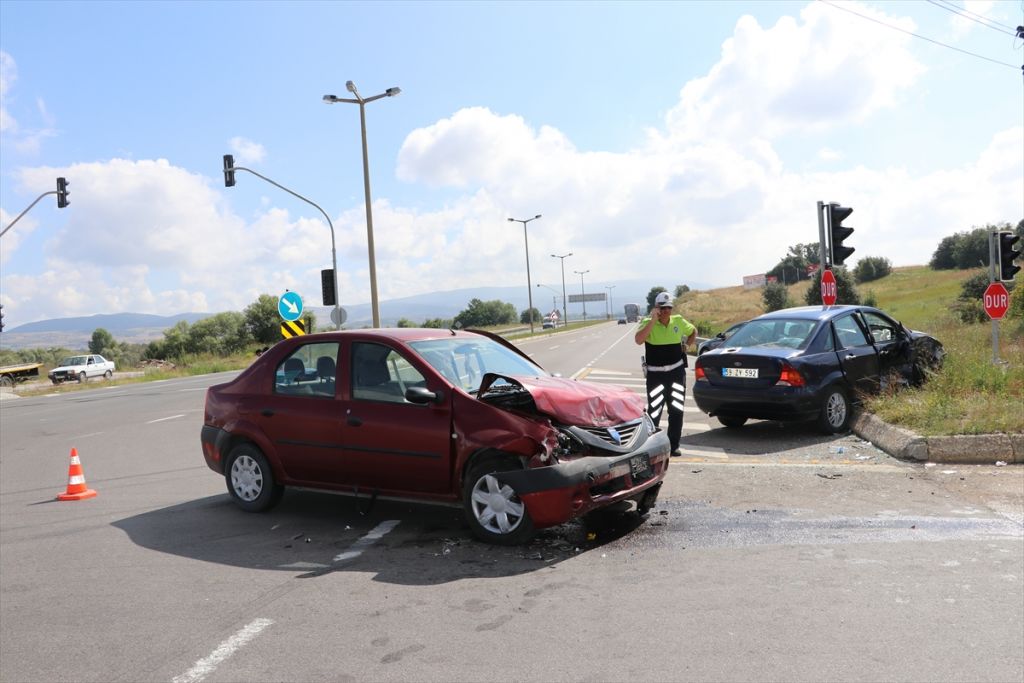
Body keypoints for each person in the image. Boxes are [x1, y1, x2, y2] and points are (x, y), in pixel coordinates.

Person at [634, 291, 696, 457]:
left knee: (676, 410)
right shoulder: (648, 322)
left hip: (676, 374)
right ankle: (651, 446)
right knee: (655, 411)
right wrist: (653, 320)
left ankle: (673, 445)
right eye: (662, 307)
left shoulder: (678, 321)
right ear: (656, 308)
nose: (666, 310)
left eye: (669, 307)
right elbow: (639, 340)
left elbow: (693, 331)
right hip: (656, 377)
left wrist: (687, 346)